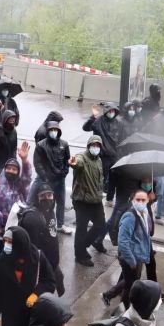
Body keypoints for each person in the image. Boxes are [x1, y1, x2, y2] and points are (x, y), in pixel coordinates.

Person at [0, 225, 57, 326]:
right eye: (6, 241)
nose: (6, 245)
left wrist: (36, 294)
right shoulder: (1, 260)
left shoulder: (38, 258)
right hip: (10, 313)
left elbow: (49, 281)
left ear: (21, 244)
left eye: (10, 242)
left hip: (31, 313)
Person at [0, 151, 31, 295]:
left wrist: (25, 160)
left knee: (14, 261)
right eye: (8, 168)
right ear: (4, 169)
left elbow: (28, 177)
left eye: (14, 169)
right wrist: (7, 218)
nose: (11, 171)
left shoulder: (20, 186)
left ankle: (7, 287)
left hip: (17, 232)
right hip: (1, 233)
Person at [19, 186, 65, 296]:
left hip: (53, 261)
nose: (47, 199)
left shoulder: (50, 210)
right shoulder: (34, 218)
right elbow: (33, 247)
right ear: (36, 198)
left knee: (59, 285)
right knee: (45, 289)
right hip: (43, 263)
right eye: (42, 196)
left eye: (49, 195)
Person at [112, 190, 153, 308]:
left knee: (130, 282)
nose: (140, 202)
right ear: (132, 201)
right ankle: (125, 309)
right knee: (129, 286)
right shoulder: (130, 216)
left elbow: (148, 233)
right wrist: (132, 261)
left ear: (147, 201)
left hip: (138, 255)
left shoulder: (145, 213)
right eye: (137, 200)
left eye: (143, 200)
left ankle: (115, 300)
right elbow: (123, 242)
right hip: (130, 257)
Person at [70, 136, 107, 266]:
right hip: (82, 200)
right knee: (81, 228)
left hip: (96, 200)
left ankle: (83, 244)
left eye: (98, 145)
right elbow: (77, 162)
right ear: (88, 145)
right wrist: (74, 163)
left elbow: (99, 179)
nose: (95, 147)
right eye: (93, 145)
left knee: (101, 224)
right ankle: (79, 255)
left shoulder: (99, 160)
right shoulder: (82, 157)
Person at [31, 120, 72, 233]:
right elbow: (37, 163)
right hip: (47, 179)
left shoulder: (64, 144)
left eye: (56, 130)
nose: (54, 132)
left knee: (61, 202)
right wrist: (45, 177)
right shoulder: (41, 145)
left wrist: (64, 172)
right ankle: (43, 223)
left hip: (60, 179)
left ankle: (60, 225)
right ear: (48, 131)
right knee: (43, 202)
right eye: (52, 130)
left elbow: (67, 160)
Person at [82, 103, 123, 204]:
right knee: (99, 178)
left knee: (114, 179)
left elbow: (121, 138)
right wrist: (93, 117)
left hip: (114, 155)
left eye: (113, 111)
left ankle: (109, 199)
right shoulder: (98, 121)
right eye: (109, 111)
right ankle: (95, 198)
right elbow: (86, 128)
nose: (111, 113)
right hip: (102, 156)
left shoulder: (119, 123)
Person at [0, 110, 19, 179]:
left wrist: (14, 160)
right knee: (1, 183)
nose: (12, 119)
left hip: (9, 163)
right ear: (5, 118)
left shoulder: (14, 131)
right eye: (10, 118)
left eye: (14, 118)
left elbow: (14, 147)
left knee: (9, 183)